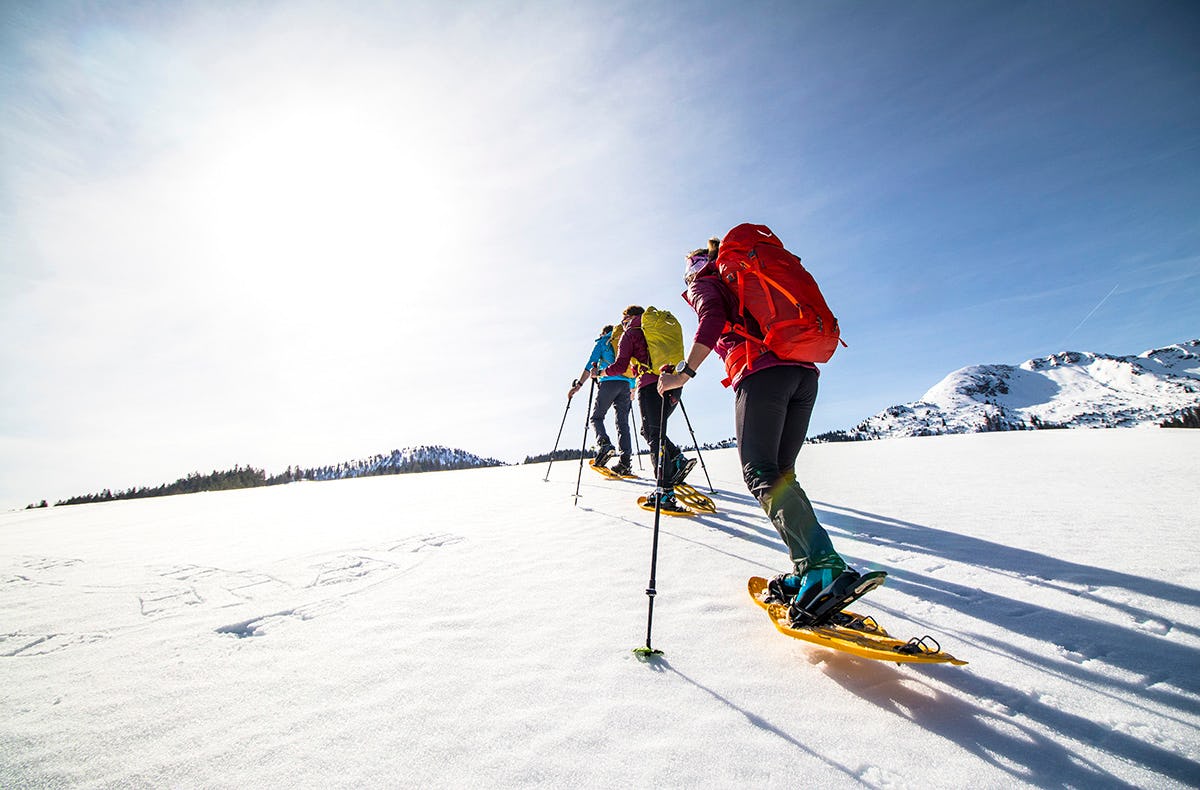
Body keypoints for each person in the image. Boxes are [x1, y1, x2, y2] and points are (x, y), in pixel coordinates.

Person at [658, 238, 874, 622]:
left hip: (761, 373)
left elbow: (711, 319)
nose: (687, 278)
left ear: (696, 267)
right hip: (803, 374)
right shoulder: (746, 279)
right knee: (781, 473)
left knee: (759, 470)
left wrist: (684, 374)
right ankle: (808, 566)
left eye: (687, 270)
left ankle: (822, 568)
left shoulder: (706, 281)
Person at [602, 306, 691, 512]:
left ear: (630, 318)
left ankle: (665, 492)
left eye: (624, 320)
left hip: (650, 386)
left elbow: (620, 366)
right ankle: (676, 460)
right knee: (651, 431)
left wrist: (602, 372)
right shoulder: (656, 329)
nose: (622, 324)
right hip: (674, 384)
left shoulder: (630, 334)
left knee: (654, 436)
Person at [568, 324, 635, 476]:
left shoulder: (603, 342)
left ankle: (604, 444)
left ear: (604, 333)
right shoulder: (624, 340)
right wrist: (632, 388)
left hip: (608, 382)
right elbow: (630, 366)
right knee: (623, 423)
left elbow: (589, 365)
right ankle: (625, 462)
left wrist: (578, 386)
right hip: (625, 385)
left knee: (596, 417)